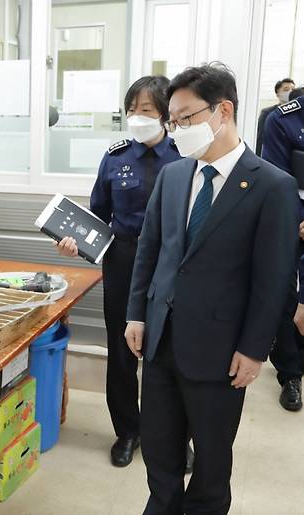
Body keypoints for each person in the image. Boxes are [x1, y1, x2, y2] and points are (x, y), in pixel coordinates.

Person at [125, 63, 298, 514]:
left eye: (185, 118)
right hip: (161, 341)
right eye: (172, 121)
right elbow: (151, 250)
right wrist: (136, 314)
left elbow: (273, 278)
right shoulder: (174, 175)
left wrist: (255, 349)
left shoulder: (272, 186)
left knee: (211, 464)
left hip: (222, 353)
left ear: (223, 111)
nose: (176, 129)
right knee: (159, 451)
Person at [57, 76, 192, 469]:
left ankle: (171, 436)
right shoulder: (116, 157)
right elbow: (97, 217)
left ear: (167, 115)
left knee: (167, 353)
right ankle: (128, 431)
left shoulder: (185, 157)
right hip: (124, 260)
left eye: (146, 110)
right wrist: (73, 241)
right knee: (121, 352)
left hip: (172, 262)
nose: (137, 117)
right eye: (132, 109)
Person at [261, 87, 304, 411]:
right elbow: (278, 180)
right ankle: (291, 374)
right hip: (294, 224)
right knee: (285, 297)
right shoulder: (283, 120)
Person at [255, 78, 295, 156]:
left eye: (293, 89)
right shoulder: (267, 113)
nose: (290, 92)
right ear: (277, 93)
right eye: (286, 89)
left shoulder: (297, 114)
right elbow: (260, 139)